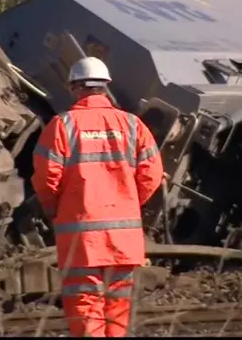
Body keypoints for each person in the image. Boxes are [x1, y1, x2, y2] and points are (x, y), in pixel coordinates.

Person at [31, 57, 164, 337]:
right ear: (106, 88)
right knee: (118, 303)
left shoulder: (62, 126)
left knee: (85, 302)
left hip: (81, 236)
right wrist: (128, 202)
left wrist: (55, 208)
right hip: (123, 237)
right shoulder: (132, 125)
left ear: (74, 88)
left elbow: (46, 179)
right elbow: (152, 173)